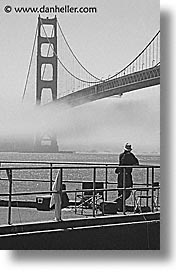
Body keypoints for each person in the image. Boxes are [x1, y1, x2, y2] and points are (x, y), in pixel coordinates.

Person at [114, 143, 139, 210]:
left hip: (120, 175)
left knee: (121, 190)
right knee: (127, 190)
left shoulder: (121, 155)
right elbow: (136, 163)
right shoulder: (130, 156)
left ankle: (119, 205)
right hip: (126, 175)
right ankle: (118, 203)